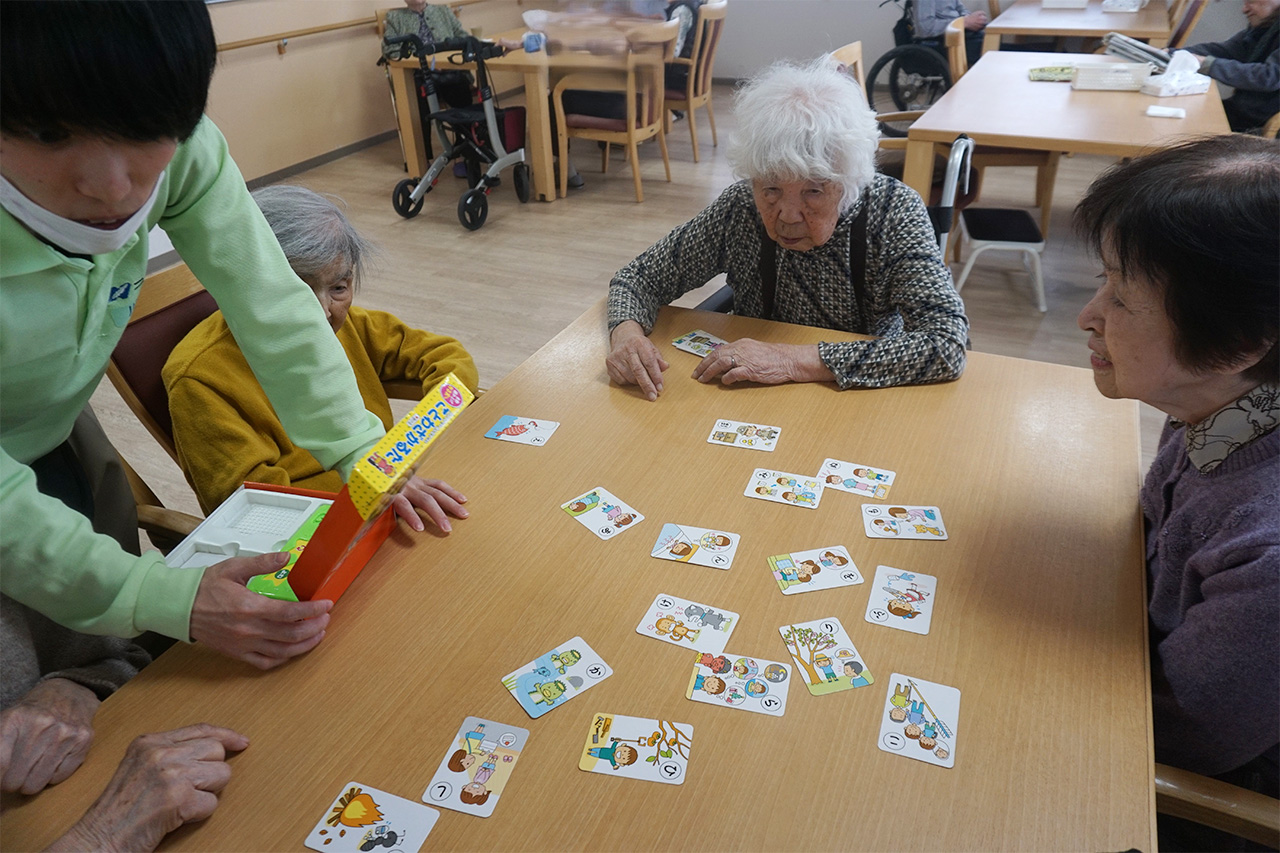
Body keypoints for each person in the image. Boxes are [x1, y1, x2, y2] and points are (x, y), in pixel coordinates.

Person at [0, 1, 457, 672]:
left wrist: (362, 451)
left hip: (54, 420)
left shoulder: (187, 152)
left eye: (145, 132)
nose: (113, 187)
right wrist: (152, 593)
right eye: (47, 132)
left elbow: (273, 303)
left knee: (97, 656)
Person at [1074, 135, 1278, 850]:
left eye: (1122, 296)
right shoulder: (1216, 408)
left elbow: (1183, 739)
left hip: (1199, 799)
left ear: (1237, 343)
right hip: (1131, 664)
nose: (1088, 316)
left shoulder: (1267, 550)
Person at [606, 59, 968, 399]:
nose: (788, 216)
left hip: (856, 396)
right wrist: (626, 333)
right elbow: (638, 278)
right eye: (772, 190)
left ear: (847, 182)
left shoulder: (893, 212)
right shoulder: (740, 208)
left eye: (813, 191)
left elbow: (947, 344)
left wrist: (792, 360)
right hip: (750, 392)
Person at [164, 185, 479, 514]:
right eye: (297, 290)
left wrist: (409, 445)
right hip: (311, 528)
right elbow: (252, 506)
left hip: (386, 487)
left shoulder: (352, 325)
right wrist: (371, 487)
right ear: (252, 285)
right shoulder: (197, 378)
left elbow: (449, 358)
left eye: (339, 287)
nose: (324, 312)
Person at [381, 0, 474, 164]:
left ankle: (465, 147)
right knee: (416, 100)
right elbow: (390, 50)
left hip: (449, 72)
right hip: (419, 75)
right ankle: (422, 157)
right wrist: (421, 61)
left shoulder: (443, 11)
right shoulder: (395, 17)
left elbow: (462, 37)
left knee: (461, 88)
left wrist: (446, 60)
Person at [1183, 0, 1280, 134]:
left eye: (1251, 2)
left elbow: (1269, 76)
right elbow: (1226, 51)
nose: (1244, 10)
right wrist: (1174, 54)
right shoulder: (1265, 26)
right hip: (1242, 113)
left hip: (1260, 128)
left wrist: (1206, 64)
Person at [912, 0, 987, 68]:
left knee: (994, 39)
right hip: (941, 39)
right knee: (991, 48)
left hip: (961, 32)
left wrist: (972, 19)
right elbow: (926, 28)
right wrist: (964, 22)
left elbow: (961, 9)